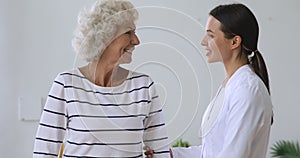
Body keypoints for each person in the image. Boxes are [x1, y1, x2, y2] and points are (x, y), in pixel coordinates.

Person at [33, 0, 169, 157]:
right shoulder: (66, 84)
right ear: (104, 36)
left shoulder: (143, 86)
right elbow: (44, 151)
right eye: (128, 32)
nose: (136, 41)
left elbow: (160, 150)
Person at [145, 3, 273, 158]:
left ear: (234, 42)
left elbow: (233, 155)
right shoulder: (232, 85)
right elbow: (211, 151)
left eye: (211, 35)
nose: (203, 42)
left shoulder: (247, 90)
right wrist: (169, 154)